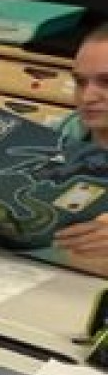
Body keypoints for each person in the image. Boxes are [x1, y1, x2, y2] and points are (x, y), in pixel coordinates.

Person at [52, 23, 108, 276]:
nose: (87, 97)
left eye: (106, 82)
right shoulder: (60, 133)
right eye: (80, 82)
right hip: (46, 274)